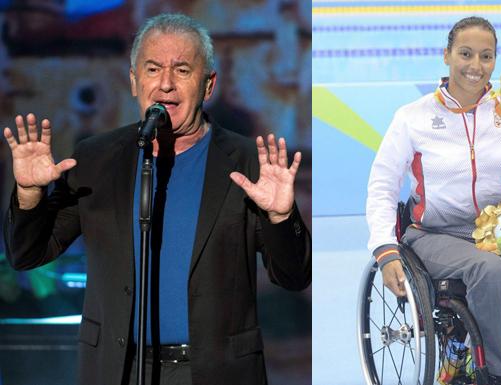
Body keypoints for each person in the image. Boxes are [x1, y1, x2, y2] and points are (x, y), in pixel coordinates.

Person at [3, 13, 311, 385]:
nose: (165, 84)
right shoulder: (96, 159)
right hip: (118, 370)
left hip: (215, 372)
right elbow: (27, 253)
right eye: (152, 69)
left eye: (182, 70)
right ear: (134, 81)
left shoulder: (248, 161)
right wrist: (30, 193)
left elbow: (294, 276)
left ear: (208, 85)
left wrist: (281, 216)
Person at [366, 16, 501, 385]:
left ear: (495, 61)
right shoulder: (413, 117)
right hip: (434, 235)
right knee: (488, 271)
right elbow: (382, 184)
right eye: (465, 54)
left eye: (486, 56)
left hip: (499, 234)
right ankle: (494, 372)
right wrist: (384, 249)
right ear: (446, 56)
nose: (476, 66)